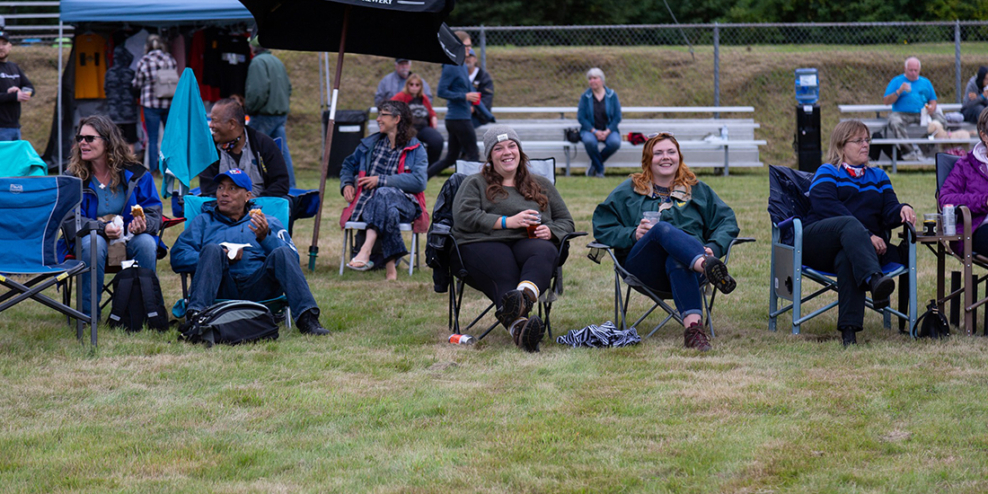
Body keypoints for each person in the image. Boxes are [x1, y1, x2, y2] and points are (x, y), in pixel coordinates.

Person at [593, 133, 738, 351]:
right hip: (643, 269)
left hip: (685, 268)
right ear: (648, 159)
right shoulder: (629, 191)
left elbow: (727, 221)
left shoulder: (697, 190)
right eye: (658, 153)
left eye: (671, 152)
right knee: (660, 228)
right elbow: (602, 226)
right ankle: (705, 265)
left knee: (677, 258)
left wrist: (715, 247)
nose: (665, 157)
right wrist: (633, 234)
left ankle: (694, 332)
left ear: (679, 157)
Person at [451, 125, 575, 352]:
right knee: (502, 266)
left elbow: (566, 221)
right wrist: (508, 221)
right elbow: (463, 217)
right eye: (498, 148)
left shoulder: (541, 184)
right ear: (490, 156)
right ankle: (520, 325)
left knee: (546, 250)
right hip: (482, 243)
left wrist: (551, 231)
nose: (507, 152)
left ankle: (524, 300)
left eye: (512, 146)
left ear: (520, 150)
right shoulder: (475, 183)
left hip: (527, 243)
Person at [171, 169, 330, 335]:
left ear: (247, 196)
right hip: (220, 286)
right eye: (220, 188)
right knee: (212, 249)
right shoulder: (203, 221)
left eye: (232, 188)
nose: (224, 193)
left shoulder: (266, 222)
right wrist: (221, 257)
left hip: (258, 288)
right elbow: (177, 256)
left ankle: (308, 321)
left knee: (281, 252)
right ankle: (197, 318)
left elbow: (292, 259)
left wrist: (266, 237)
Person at [802, 120, 916, 346]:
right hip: (819, 242)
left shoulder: (878, 176)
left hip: (857, 252)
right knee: (848, 224)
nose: (865, 145)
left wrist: (902, 208)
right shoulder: (828, 171)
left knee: (848, 258)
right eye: (858, 141)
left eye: (867, 140)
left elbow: (889, 210)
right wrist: (867, 235)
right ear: (842, 146)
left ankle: (849, 331)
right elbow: (825, 205)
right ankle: (875, 280)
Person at [59, 115, 163, 319]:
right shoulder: (73, 178)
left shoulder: (137, 174)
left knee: (146, 244)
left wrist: (143, 224)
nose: (82, 142)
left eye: (89, 138)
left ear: (107, 141)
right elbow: (69, 219)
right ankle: (88, 316)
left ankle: (144, 312)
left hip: (129, 237)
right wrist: (100, 227)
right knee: (93, 243)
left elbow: (154, 212)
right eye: (80, 138)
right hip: (90, 238)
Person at [340, 100, 427, 281]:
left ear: (396, 119)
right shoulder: (370, 145)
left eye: (383, 115)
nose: (378, 119)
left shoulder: (416, 149)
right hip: (369, 205)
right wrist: (347, 183)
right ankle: (390, 269)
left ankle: (366, 250)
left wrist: (382, 180)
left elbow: (419, 182)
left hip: (407, 204)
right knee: (386, 204)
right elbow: (348, 164)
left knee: (383, 192)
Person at [199, 98, 290, 198]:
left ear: (232, 124)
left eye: (214, 121)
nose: (211, 125)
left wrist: (255, 203)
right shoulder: (210, 149)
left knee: (286, 203)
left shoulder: (264, 144)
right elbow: (208, 188)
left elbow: (281, 183)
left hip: (261, 207)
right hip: (222, 207)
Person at [427, 31, 482, 179]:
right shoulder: (451, 65)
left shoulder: (462, 64)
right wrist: (464, 96)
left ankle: (421, 179)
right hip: (459, 119)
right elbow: (441, 91)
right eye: (466, 46)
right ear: (456, 46)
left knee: (451, 158)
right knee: (473, 155)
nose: (469, 50)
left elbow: (470, 91)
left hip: (458, 118)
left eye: (470, 46)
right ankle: (475, 188)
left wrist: (487, 115)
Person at [245, 36, 296, 189]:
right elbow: (288, 88)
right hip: (280, 114)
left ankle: (249, 187)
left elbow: (257, 91)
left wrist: (250, 108)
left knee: (250, 150)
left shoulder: (258, 63)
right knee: (282, 153)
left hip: (264, 115)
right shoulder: (276, 61)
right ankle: (290, 188)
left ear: (253, 47)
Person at [940, 106, 988, 254]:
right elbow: (945, 199)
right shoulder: (966, 164)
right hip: (978, 228)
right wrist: (984, 201)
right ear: (984, 136)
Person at [883, 57, 946, 161]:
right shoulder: (897, 81)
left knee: (942, 121)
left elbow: (933, 100)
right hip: (901, 113)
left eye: (915, 70)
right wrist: (899, 91)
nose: (913, 73)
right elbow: (886, 101)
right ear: (905, 69)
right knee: (894, 122)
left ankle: (922, 146)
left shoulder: (925, 82)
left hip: (922, 113)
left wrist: (932, 108)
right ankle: (909, 151)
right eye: (910, 70)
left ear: (919, 70)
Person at [132, 34, 177, 173]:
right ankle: (170, 167)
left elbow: (137, 83)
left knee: (152, 138)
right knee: (169, 138)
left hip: (151, 104)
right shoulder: (169, 59)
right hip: (168, 102)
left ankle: (153, 169)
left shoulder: (144, 61)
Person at [390, 73, 444, 166]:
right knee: (411, 143)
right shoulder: (401, 96)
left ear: (420, 86)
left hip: (423, 128)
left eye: (417, 85)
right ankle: (409, 168)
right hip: (408, 128)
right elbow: (389, 107)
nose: (414, 87)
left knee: (437, 140)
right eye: (411, 84)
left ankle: (430, 168)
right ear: (407, 85)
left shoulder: (423, 98)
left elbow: (431, 112)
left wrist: (434, 118)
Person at [578, 68, 621, 177]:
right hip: (590, 130)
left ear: (602, 80)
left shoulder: (612, 96)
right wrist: (595, 131)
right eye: (590, 79)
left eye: (595, 78)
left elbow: (617, 117)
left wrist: (607, 131)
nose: (592, 81)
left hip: (609, 130)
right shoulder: (585, 97)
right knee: (589, 142)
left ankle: (594, 165)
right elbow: (581, 117)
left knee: (615, 143)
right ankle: (600, 170)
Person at [0, 20, 34, 141]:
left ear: (10, 46)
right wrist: (13, 96)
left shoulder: (14, 67)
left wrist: (22, 92)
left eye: (4, 43)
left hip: (15, 127)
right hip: (1, 128)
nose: (0, 47)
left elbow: (30, 87)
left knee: (14, 160)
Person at [103, 45, 139, 152]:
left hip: (113, 113)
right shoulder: (131, 73)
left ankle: (115, 164)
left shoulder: (109, 73)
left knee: (114, 140)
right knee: (130, 141)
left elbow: (106, 89)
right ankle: (130, 164)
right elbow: (136, 91)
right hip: (129, 113)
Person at [465, 48, 494, 128]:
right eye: (465, 57)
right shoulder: (460, 76)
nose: (467, 59)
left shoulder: (484, 77)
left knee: (465, 127)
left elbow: (487, 98)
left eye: (470, 56)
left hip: (479, 116)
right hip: (462, 113)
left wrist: (473, 109)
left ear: (475, 59)